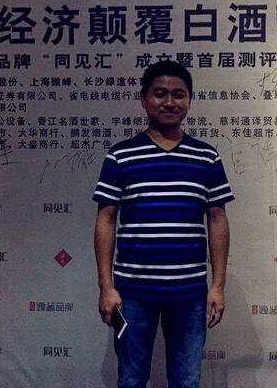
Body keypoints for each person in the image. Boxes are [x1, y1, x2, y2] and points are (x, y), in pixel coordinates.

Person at [93, 61, 234, 388]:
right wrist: (106, 287)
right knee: (131, 379)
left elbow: (217, 220)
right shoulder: (120, 156)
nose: (169, 102)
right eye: (160, 93)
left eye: (178, 94)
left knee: (186, 380)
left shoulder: (206, 157)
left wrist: (218, 285)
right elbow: (105, 220)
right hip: (132, 293)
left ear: (190, 100)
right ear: (143, 99)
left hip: (190, 293)